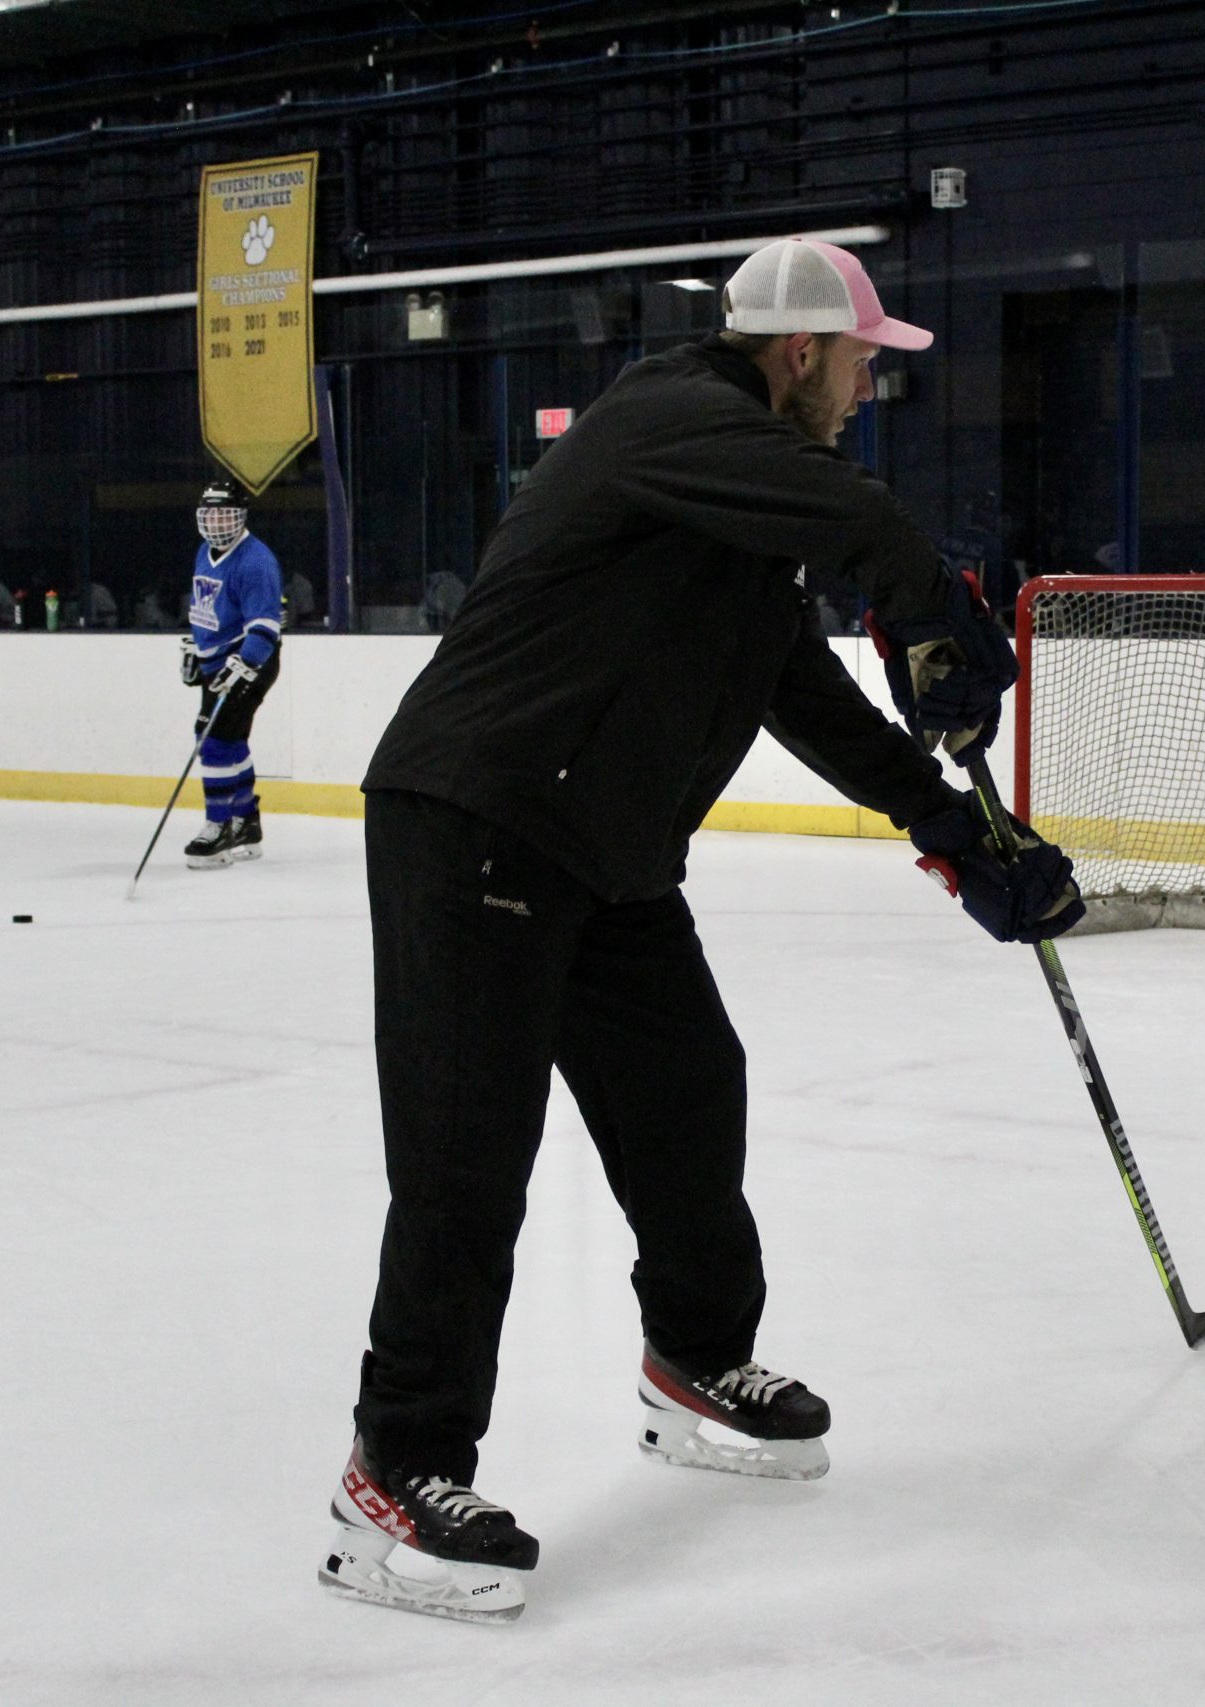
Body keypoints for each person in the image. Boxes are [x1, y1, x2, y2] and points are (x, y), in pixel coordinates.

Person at [324, 235, 1081, 1624]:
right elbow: (861, 519)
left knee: (688, 1094)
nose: (869, 387)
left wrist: (955, 828)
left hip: (600, 853)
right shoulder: (668, 417)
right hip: (474, 818)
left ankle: (695, 1360)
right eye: (861, 361)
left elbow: (807, 692)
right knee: (467, 1161)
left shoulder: (735, 517)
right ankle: (396, 1470)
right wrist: (923, 593)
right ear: (798, 352)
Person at [179, 481, 284, 868]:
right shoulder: (204, 554)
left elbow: (265, 626)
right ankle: (246, 823)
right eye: (210, 513)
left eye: (225, 513)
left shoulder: (256, 561)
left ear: (240, 517)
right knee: (228, 738)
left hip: (247, 661)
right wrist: (195, 646)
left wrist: (246, 664)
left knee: (213, 740)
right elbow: (205, 609)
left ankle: (219, 825)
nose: (217, 521)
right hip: (217, 661)